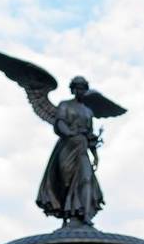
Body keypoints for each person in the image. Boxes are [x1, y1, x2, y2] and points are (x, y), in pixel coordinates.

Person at [36, 76, 104, 225]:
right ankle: (66, 214)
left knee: (86, 179)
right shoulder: (65, 105)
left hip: (82, 149)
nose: (80, 91)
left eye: (82, 88)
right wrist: (69, 133)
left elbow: (90, 135)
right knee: (65, 181)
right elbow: (59, 123)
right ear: (73, 89)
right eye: (77, 88)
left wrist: (95, 155)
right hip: (67, 147)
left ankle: (85, 214)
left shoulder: (88, 112)